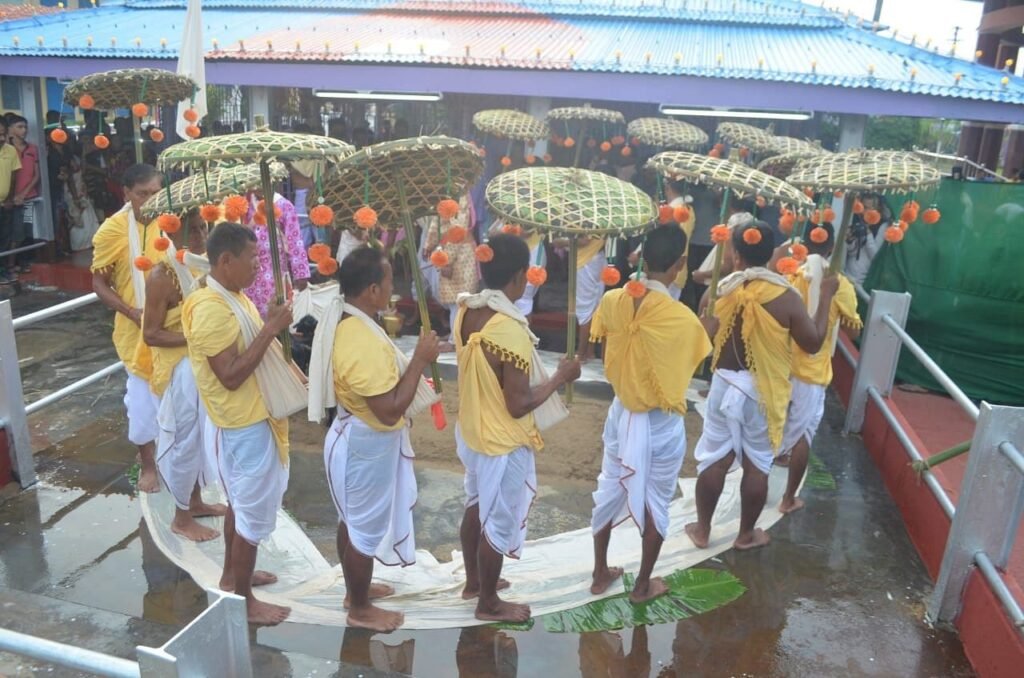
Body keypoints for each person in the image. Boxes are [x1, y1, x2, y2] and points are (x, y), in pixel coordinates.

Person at [309, 246, 441, 632]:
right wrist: (419, 360)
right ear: (371, 290)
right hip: (363, 447)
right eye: (388, 282)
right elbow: (388, 410)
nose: (392, 288)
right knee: (363, 530)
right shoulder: (358, 337)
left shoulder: (359, 324)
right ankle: (360, 608)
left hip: (362, 441)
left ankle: (355, 592)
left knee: (352, 523)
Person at [686, 221, 837, 551]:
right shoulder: (786, 296)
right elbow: (812, 344)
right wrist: (825, 298)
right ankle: (745, 535)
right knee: (758, 464)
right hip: (762, 393)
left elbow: (702, 338)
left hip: (723, 386)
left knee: (715, 459)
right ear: (770, 255)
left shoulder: (719, 290)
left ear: (736, 255)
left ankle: (702, 530)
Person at [454, 234, 582, 623]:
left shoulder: (466, 311)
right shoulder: (508, 328)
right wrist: (560, 377)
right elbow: (518, 404)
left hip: (473, 431)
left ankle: (475, 582)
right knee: (499, 518)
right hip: (501, 440)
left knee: (476, 505)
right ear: (518, 277)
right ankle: (488, 602)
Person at [588, 225, 714, 602]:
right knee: (656, 500)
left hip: (621, 412)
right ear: (678, 265)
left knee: (609, 488)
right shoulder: (682, 319)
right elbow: (693, 360)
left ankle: (599, 572)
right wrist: (706, 327)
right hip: (659, 423)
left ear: (641, 258)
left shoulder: (613, 300)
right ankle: (643, 584)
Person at [182, 222, 297, 625]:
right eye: (253, 258)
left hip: (249, 418)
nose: (258, 266)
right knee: (249, 514)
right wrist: (271, 328)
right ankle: (244, 601)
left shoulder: (232, 296)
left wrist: (266, 323)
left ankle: (235, 575)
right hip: (243, 425)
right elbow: (229, 374)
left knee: (239, 506)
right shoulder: (212, 307)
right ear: (226, 260)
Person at [142, 209, 226, 541]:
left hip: (200, 367)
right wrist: (196, 340)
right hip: (178, 370)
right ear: (171, 234)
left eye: (203, 229)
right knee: (183, 441)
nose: (200, 238)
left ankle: (195, 501)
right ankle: (180, 518)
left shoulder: (202, 267)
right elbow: (151, 334)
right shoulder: (162, 276)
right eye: (192, 231)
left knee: (199, 438)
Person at [774, 223, 862, 513]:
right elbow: (852, 333)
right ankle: (788, 498)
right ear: (833, 247)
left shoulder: (791, 273)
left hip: (781, 363)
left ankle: (771, 466)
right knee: (802, 435)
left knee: (772, 426)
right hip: (811, 372)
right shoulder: (840, 285)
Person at [90, 164, 163, 493]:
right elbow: (99, 282)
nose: (149, 200)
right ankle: (148, 464)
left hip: (173, 326)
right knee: (142, 401)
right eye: (142, 194)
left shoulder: (170, 220)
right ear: (126, 194)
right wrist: (130, 311)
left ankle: (179, 462)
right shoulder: (112, 230)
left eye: (155, 192)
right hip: (136, 330)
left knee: (179, 398)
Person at [243, 190, 310, 318]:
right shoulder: (245, 204)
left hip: (275, 273)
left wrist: (301, 275)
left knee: (276, 314)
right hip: (249, 274)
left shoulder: (284, 206)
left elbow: (295, 242)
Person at [424, 195, 479, 342]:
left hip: (459, 255)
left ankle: (455, 341)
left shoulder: (460, 197)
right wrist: (429, 245)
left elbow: (457, 231)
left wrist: (446, 260)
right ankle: (455, 336)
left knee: (459, 301)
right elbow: (436, 224)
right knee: (456, 300)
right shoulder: (453, 195)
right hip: (455, 251)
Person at [5, 114, 40, 275]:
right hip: (8, 199)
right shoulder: (6, 149)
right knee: (10, 233)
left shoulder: (32, 148)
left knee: (25, 230)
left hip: (28, 197)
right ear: (10, 128)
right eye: (19, 127)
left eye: (25, 127)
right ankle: (10, 265)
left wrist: (23, 194)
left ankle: (19, 262)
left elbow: (36, 175)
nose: (24, 130)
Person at [845, 193, 890, 285]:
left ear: (878, 209)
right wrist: (849, 240)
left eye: (870, 208)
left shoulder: (883, 226)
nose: (866, 212)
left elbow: (875, 256)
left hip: (863, 280)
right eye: (864, 207)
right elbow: (851, 252)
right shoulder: (858, 219)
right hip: (847, 273)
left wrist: (868, 234)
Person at [0, 119, 22, 284]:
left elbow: (14, 176)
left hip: (5, 205)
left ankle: (4, 271)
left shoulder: (11, 151)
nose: (1, 138)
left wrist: (9, 199)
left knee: (6, 238)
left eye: (2, 134)